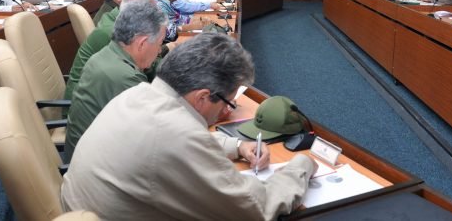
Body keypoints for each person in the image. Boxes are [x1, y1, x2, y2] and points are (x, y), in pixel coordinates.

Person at [61, 33, 317, 220]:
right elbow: (256, 208)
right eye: (228, 100)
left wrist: (238, 146)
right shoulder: (176, 135)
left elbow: (171, 143)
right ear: (203, 97)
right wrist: (303, 165)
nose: (227, 110)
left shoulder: (138, 95)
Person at [64, 0, 167, 161]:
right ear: (142, 44)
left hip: (93, 155)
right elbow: (159, 134)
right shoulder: (125, 77)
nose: (159, 49)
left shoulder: (109, 53)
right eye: (160, 43)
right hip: (98, 166)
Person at [65, 0, 169, 103]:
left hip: (100, 95)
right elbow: (147, 69)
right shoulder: (113, 31)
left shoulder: (117, 17)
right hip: (89, 101)